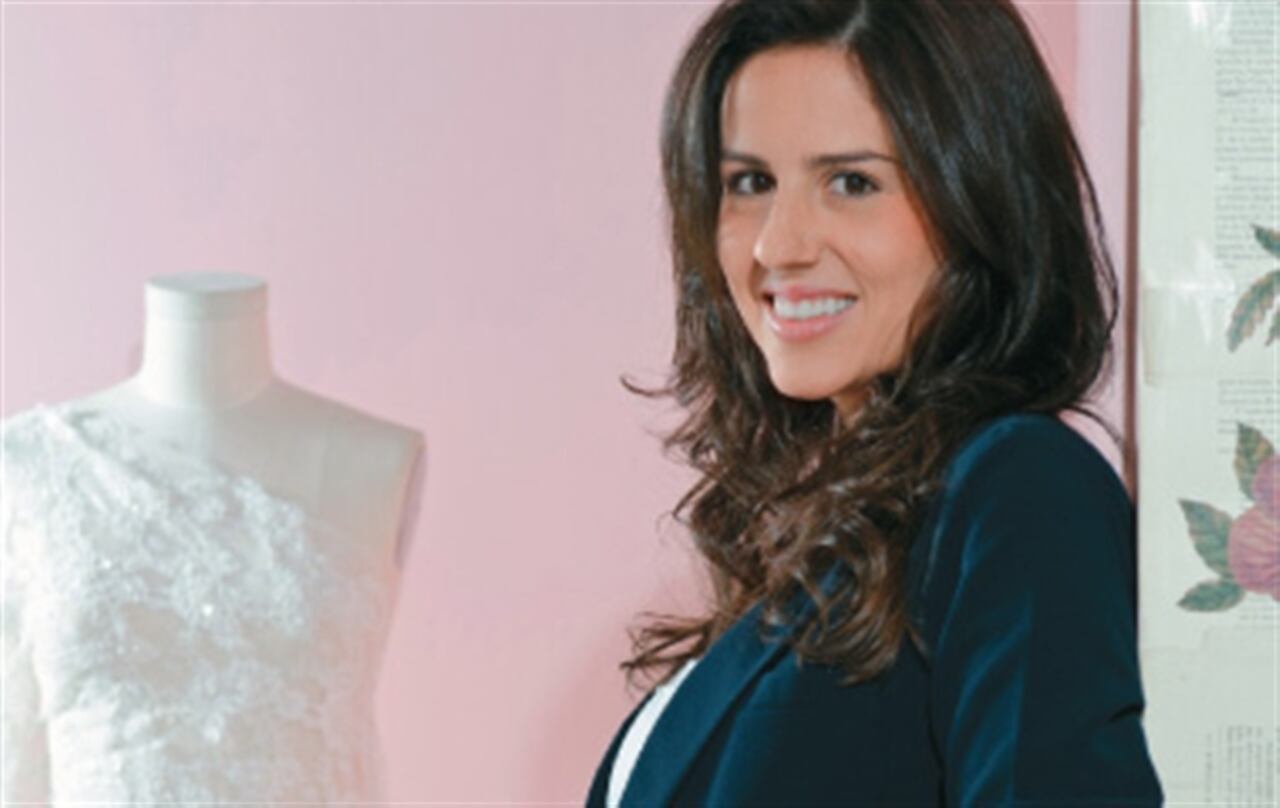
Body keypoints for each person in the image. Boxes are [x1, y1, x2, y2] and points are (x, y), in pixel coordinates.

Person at [586, 0, 1164, 805]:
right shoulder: (836, 540)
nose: (778, 245)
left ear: (979, 201)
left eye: (852, 182)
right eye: (750, 182)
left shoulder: (1021, 489)